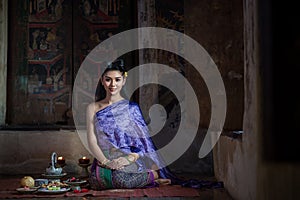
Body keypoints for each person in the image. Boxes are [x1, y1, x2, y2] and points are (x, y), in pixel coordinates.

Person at [87, 59, 223, 190]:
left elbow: (142, 143)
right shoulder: (92, 108)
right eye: (108, 79)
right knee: (97, 182)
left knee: (120, 180)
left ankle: (154, 174)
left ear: (124, 81)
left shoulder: (131, 108)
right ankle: (150, 178)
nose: (113, 84)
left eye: (117, 79)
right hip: (103, 158)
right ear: (102, 81)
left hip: (128, 157)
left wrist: (128, 158)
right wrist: (106, 162)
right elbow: (92, 140)